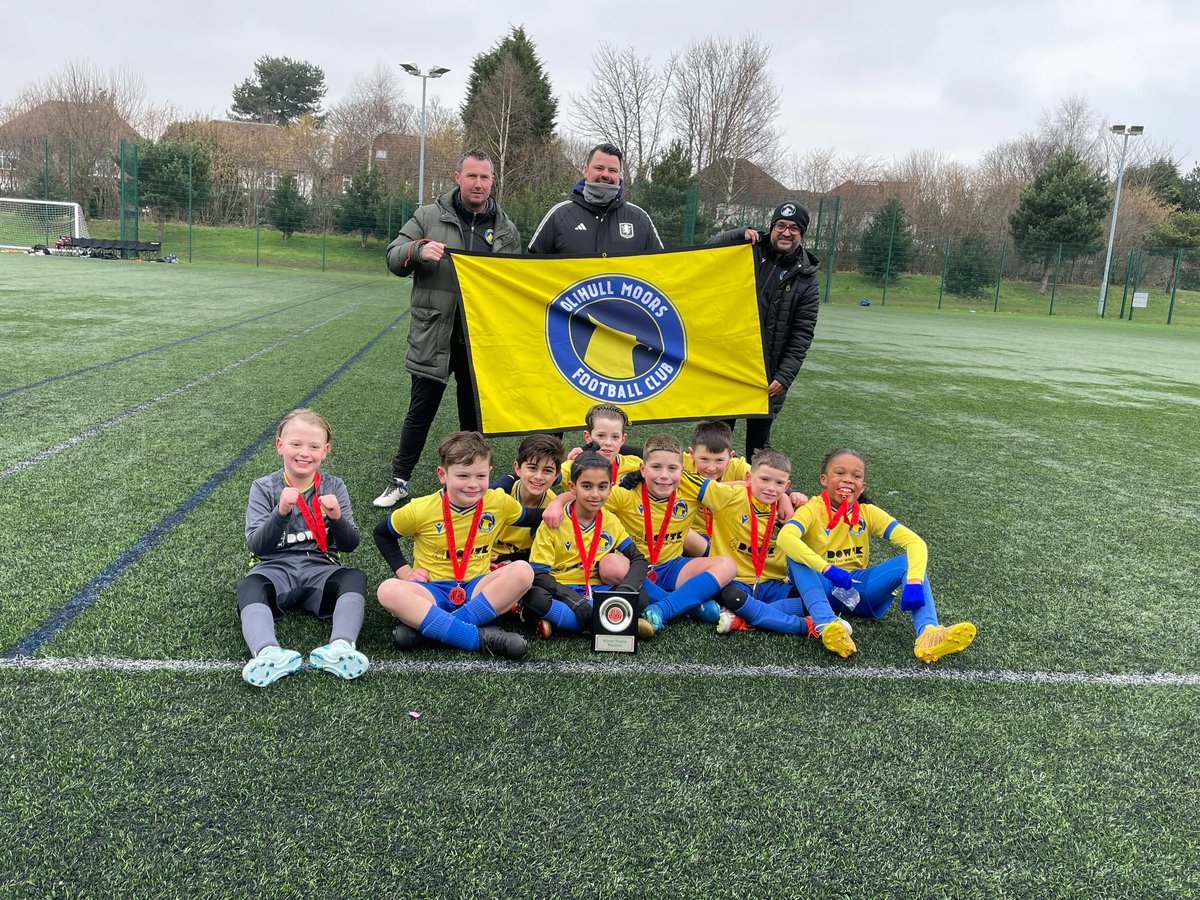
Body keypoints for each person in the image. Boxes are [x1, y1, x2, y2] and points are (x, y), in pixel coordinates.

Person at [374, 149, 522, 508]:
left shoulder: (505, 229)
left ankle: (474, 484)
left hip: (478, 341)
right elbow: (393, 257)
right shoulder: (428, 216)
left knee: (472, 419)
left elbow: (516, 282)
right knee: (420, 411)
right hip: (434, 334)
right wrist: (417, 249)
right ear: (457, 177)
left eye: (485, 177)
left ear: (492, 181)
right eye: (471, 176)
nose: (478, 183)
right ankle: (400, 479)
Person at [373, 431, 563, 660]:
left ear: (489, 473)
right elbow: (382, 534)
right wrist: (404, 571)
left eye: (480, 476)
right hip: (432, 590)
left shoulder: (498, 502)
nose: (472, 485)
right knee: (388, 590)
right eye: (463, 476)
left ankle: (430, 631)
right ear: (443, 475)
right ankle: (480, 638)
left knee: (523, 571)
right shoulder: (420, 509)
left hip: (477, 588)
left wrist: (562, 500)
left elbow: (535, 516)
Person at [777, 447, 977, 663]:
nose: (848, 480)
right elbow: (785, 538)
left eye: (856, 476)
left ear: (863, 486)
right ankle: (828, 626)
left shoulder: (867, 512)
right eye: (840, 473)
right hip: (824, 589)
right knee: (795, 556)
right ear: (824, 479)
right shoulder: (812, 509)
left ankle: (928, 633)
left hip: (859, 589)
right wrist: (828, 569)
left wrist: (915, 581)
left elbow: (915, 542)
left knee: (908, 562)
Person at [238, 409, 369, 687]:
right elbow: (258, 546)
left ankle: (342, 647)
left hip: (320, 568)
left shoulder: (334, 486)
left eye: (313, 446)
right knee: (249, 586)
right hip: (274, 569)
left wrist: (336, 517)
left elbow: (350, 544)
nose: (304, 453)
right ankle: (267, 653)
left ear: (326, 450)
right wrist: (281, 511)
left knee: (354, 577)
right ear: (279, 445)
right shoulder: (263, 488)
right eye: (296, 444)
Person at [706, 201, 821, 462]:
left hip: (769, 374)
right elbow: (707, 250)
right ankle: (713, 493)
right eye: (781, 225)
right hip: (729, 363)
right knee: (717, 440)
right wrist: (736, 233)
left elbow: (802, 333)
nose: (786, 232)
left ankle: (754, 497)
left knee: (757, 448)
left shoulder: (807, 278)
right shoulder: (748, 247)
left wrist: (785, 375)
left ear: (802, 234)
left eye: (794, 228)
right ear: (772, 227)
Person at [601, 433, 737, 637]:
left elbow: (741, 494)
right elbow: (582, 497)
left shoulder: (692, 487)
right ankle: (689, 607)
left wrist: (786, 499)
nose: (664, 475)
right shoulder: (626, 492)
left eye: (672, 468)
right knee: (610, 564)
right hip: (636, 568)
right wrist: (557, 504)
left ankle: (661, 609)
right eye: (656, 467)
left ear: (683, 471)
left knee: (727, 565)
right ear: (642, 469)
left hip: (673, 566)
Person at [691, 448, 817, 639]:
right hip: (737, 583)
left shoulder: (792, 510)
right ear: (749, 477)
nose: (771, 488)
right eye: (764, 479)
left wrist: (790, 500)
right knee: (730, 596)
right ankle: (802, 626)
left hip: (773, 584)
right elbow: (690, 482)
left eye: (779, 483)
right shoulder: (730, 497)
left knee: (812, 599)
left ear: (787, 485)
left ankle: (742, 618)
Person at [525, 453, 649, 639]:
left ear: (610, 488)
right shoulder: (554, 521)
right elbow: (539, 574)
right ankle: (615, 623)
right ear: (572, 488)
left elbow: (638, 559)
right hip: (562, 592)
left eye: (602, 487)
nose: (595, 494)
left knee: (641, 596)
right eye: (587, 486)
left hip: (595, 590)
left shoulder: (610, 520)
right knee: (534, 597)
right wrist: (574, 601)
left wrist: (627, 590)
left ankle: (567, 624)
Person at [528, 143, 663, 256]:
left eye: (612, 170)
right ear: (586, 170)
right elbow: (529, 268)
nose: (605, 174)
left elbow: (661, 267)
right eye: (599, 168)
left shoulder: (639, 218)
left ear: (619, 175)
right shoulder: (559, 215)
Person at [489, 433, 565, 564]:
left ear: (556, 475)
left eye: (547, 471)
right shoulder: (500, 493)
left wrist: (560, 501)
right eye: (532, 468)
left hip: (521, 567)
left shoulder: (553, 508)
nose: (539, 476)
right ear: (517, 468)